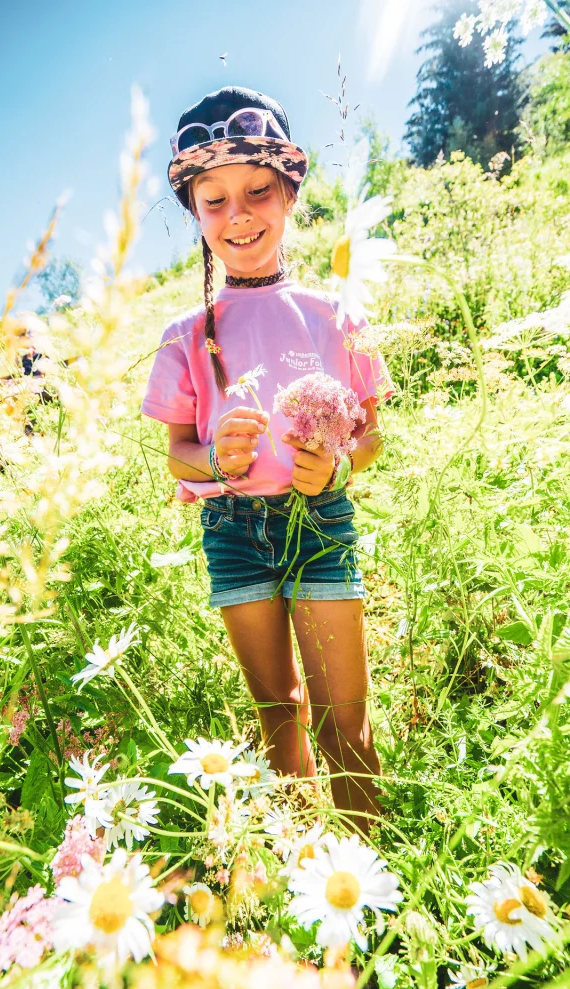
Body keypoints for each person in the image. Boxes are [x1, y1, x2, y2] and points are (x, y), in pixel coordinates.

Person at [141, 86, 394, 833]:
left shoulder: (335, 314)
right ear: (194, 214)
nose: (238, 215)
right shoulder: (185, 332)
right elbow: (177, 457)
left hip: (320, 521)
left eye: (257, 192)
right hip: (231, 531)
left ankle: (365, 867)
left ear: (289, 194)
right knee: (277, 709)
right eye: (213, 201)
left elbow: (371, 434)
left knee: (346, 719)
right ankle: (303, 866)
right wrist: (214, 457)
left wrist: (340, 467)